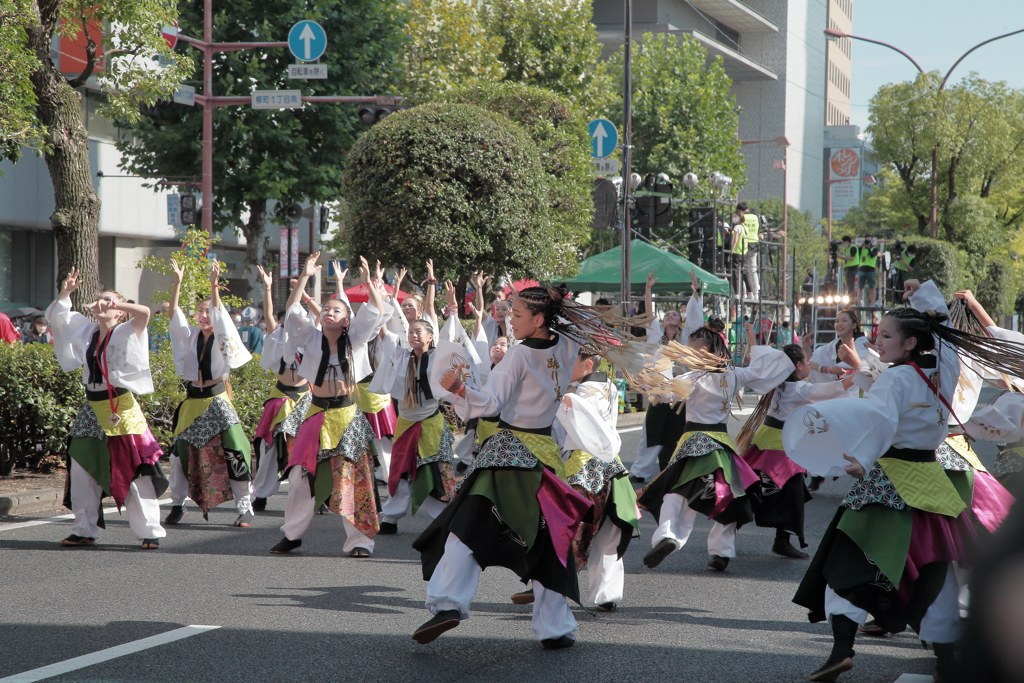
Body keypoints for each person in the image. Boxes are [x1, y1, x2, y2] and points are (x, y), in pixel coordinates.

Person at [790, 278, 1024, 682]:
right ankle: (949, 664)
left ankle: (842, 649)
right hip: (932, 481)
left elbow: (878, 422)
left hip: (891, 477)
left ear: (910, 343)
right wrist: (923, 295)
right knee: (937, 574)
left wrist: (862, 460)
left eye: (885, 336)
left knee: (848, 559)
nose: (878, 343)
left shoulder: (895, 379)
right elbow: (941, 334)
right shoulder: (946, 368)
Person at [412, 286, 639, 649]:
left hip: (506, 452)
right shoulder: (567, 347)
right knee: (550, 539)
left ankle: (447, 604)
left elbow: (490, 403)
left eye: (516, 315)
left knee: (468, 526)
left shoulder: (517, 356)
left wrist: (458, 389)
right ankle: (555, 626)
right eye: (509, 314)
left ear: (538, 319)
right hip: (545, 456)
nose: (510, 321)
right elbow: (575, 332)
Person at [637, 322, 794, 572]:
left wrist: (660, 360)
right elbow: (765, 370)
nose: (686, 354)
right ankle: (721, 551)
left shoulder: (692, 378)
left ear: (704, 351)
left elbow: (663, 393)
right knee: (730, 497)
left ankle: (668, 535)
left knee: (677, 493)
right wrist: (755, 343)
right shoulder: (734, 375)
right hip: (721, 445)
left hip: (693, 442)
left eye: (690, 350)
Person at [268, 254, 386, 556]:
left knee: (351, 478)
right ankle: (292, 534)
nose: (329, 313)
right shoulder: (309, 338)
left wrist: (370, 279)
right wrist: (305, 276)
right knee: (299, 477)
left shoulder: (356, 340)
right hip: (316, 413)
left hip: (346, 415)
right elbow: (293, 311)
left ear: (347, 320)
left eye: (336, 310)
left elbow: (375, 311)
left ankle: (360, 541)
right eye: (326, 309)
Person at [46, 268, 166, 548]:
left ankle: (150, 531)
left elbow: (145, 312)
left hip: (121, 407)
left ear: (119, 311)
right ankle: (84, 528)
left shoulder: (126, 330)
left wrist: (113, 302)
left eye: (110, 302)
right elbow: (59, 318)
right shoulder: (88, 332)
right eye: (100, 299)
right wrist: (66, 293)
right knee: (81, 468)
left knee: (134, 470)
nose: (102, 304)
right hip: (92, 407)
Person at [737, 344, 855, 559]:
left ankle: (724, 535)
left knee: (750, 491)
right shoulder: (801, 389)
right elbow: (834, 389)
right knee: (791, 494)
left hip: (765, 440)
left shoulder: (778, 383)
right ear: (799, 366)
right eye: (807, 362)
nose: (809, 365)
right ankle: (781, 541)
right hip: (782, 447)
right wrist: (860, 372)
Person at [165, 258, 255, 527]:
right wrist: (178, 283)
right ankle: (177, 504)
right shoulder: (191, 335)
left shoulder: (225, 336)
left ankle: (244, 507)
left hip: (218, 401)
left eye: (208, 312)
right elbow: (173, 314)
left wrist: (214, 285)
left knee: (234, 451)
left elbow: (219, 311)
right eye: (199, 312)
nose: (204, 316)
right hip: (193, 401)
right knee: (179, 454)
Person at [550, 348, 640, 612]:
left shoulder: (581, 394)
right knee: (608, 532)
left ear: (588, 364)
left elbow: (571, 423)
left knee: (567, 526)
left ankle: (548, 583)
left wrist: (560, 396)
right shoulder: (608, 385)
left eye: (571, 361)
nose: (567, 366)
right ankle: (606, 592)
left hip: (583, 466)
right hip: (612, 464)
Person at [378, 281, 459, 535]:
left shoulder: (438, 357)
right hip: (406, 420)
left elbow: (432, 313)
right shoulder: (400, 355)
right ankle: (390, 518)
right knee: (401, 471)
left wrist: (434, 289)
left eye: (419, 332)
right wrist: (382, 296)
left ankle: (443, 519)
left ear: (431, 336)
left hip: (431, 422)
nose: (413, 335)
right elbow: (385, 329)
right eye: (410, 332)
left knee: (434, 471)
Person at [250, 266, 316, 512]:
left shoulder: (311, 339)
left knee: (308, 448)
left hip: (303, 399)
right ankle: (262, 494)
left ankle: (313, 494)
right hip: (279, 398)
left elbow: (295, 309)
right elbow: (270, 314)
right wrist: (267, 287)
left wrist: (305, 284)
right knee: (267, 449)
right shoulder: (278, 337)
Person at [631, 269, 704, 483]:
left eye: (674, 315)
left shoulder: (687, 338)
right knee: (651, 431)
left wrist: (695, 290)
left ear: (681, 322)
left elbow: (696, 315)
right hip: (659, 392)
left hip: (681, 393)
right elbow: (649, 314)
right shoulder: (656, 337)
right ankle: (641, 471)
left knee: (678, 433)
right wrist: (647, 289)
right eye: (667, 316)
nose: (670, 317)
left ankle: (677, 469)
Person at [856, 235, 880, 307]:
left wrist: (869, 248)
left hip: (870, 269)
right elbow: (857, 253)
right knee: (860, 287)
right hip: (862, 269)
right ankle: (859, 302)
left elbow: (872, 255)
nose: (868, 242)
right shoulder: (862, 249)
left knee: (872, 287)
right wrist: (862, 246)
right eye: (866, 240)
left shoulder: (875, 248)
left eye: (869, 241)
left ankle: (872, 302)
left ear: (872, 241)